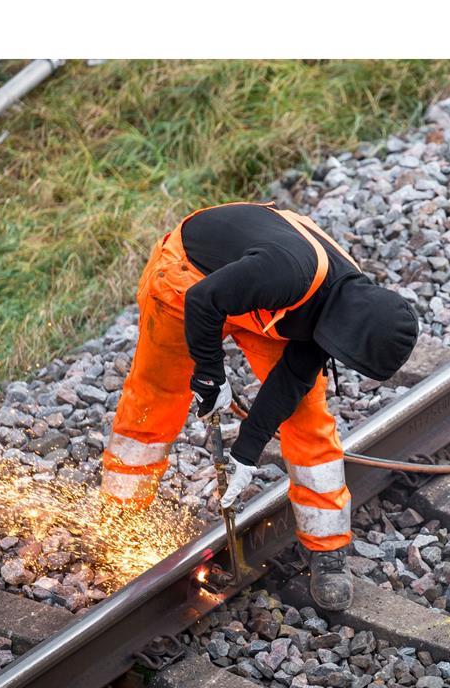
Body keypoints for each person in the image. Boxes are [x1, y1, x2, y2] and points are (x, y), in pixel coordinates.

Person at [100, 201, 418, 610]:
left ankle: (327, 547)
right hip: (190, 279)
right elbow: (203, 301)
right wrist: (211, 376)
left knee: (309, 419)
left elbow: (290, 383)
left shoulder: (348, 307)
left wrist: (246, 451)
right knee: (156, 399)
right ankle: (120, 518)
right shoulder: (287, 273)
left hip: (263, 297)